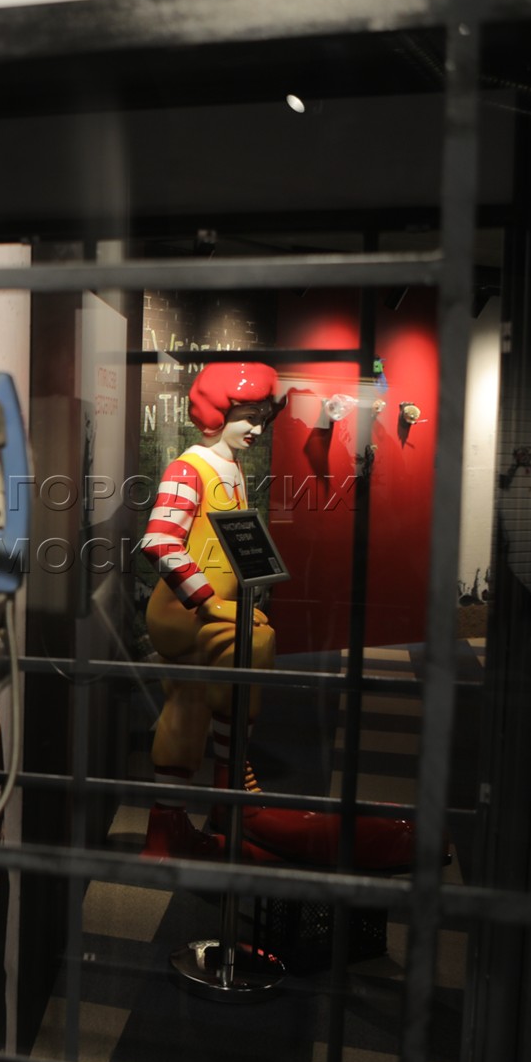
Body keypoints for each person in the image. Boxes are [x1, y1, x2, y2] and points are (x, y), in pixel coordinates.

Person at [138, 361, 415, 870]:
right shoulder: (189, 468)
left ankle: (208, 808)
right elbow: (159, 540)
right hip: (185, 612)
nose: (257, 429)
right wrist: (208, 600)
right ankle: (201, 808)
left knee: (218, 689)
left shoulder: (230, 468)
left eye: (263, 418)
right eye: (248, 417)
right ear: (216, 413)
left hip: (219, 608)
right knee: (210, 687)